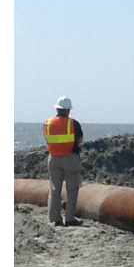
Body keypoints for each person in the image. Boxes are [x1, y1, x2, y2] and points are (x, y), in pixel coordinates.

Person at [43, 96, 84, 227]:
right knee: (72, 189)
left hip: (53, 158)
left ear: (57, 109)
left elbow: (47, 138)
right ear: (68, 110)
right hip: (70, 157)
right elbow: (80, 140)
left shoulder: (48, 123)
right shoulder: (73, 123)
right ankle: (70, 218)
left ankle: (56, 218)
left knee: (55, 188)